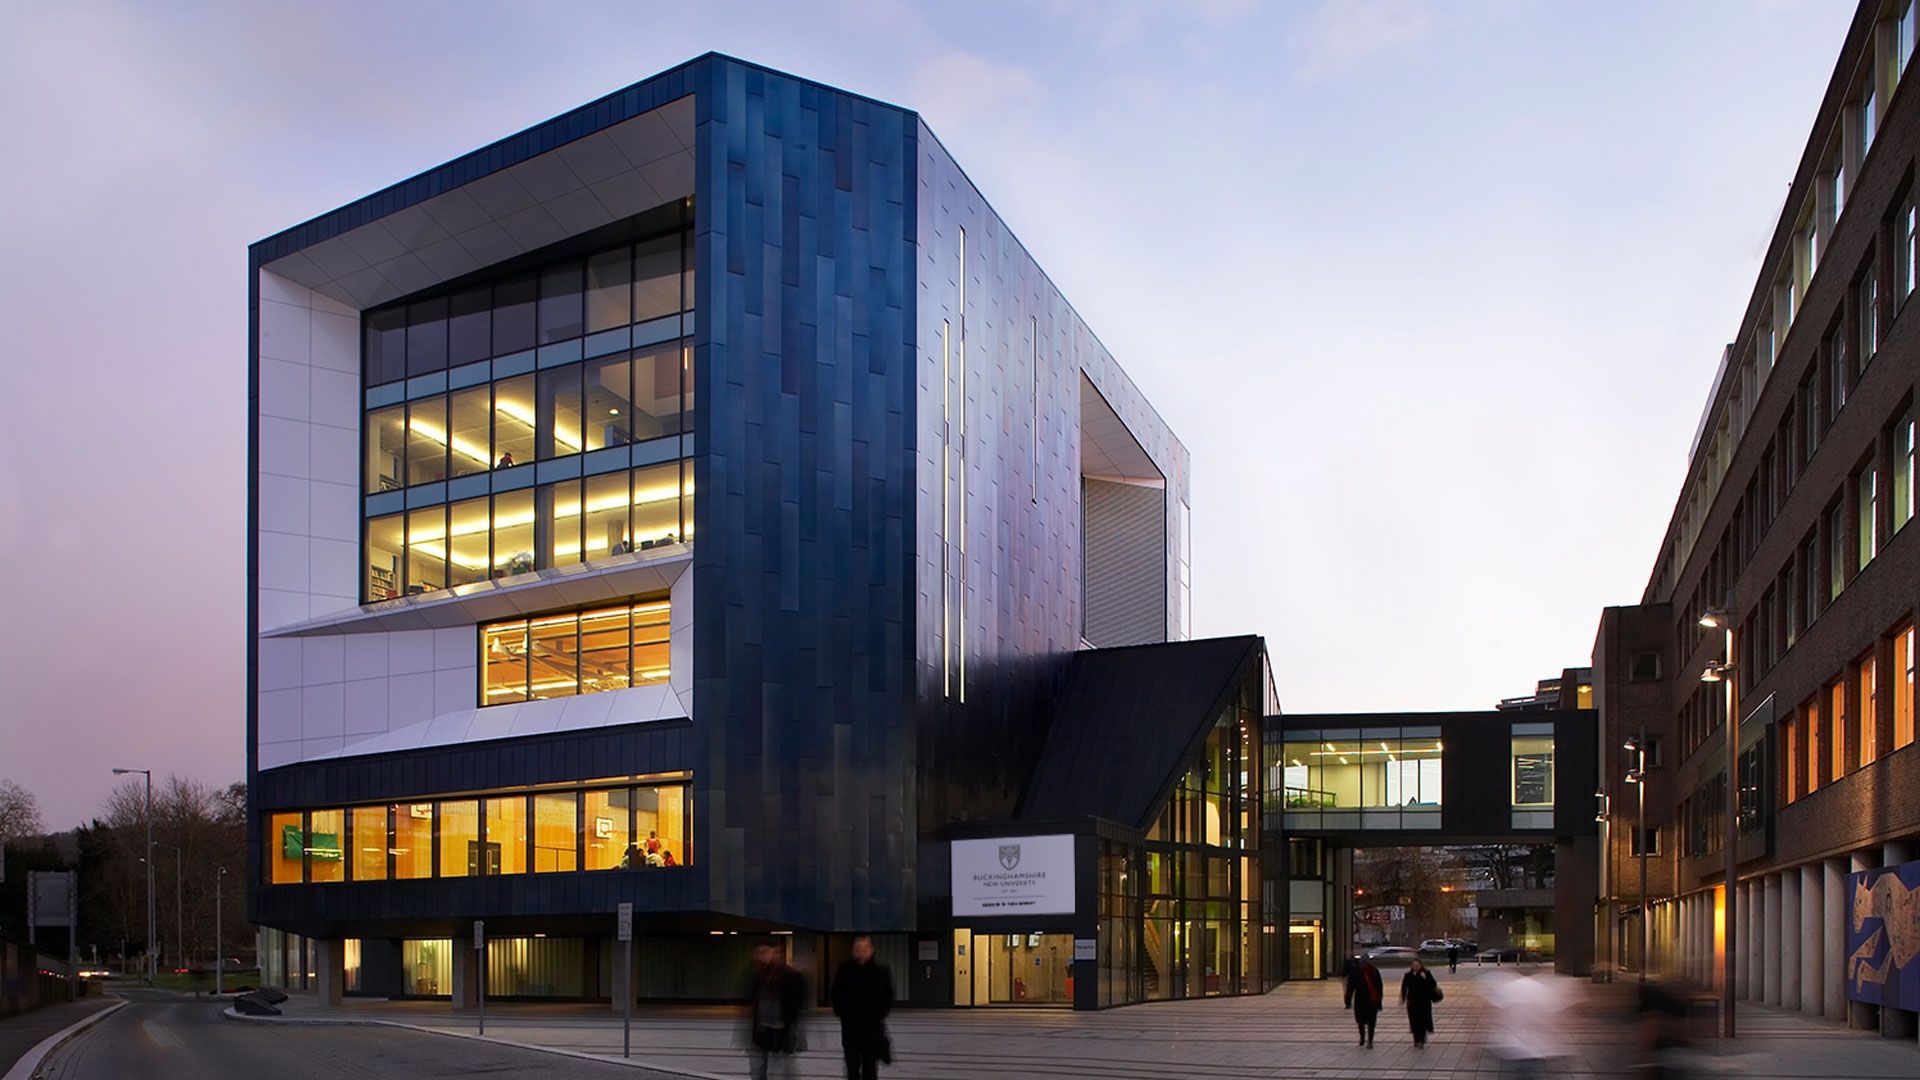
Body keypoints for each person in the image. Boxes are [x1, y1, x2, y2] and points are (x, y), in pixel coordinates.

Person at [831, 935, 895, 1080]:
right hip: (850, 1028)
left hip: (871, 1029)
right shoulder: (844, 970)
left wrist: (879, 1014)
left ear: (871, 950)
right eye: (858, 948)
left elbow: (888, 996)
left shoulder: (881, 972)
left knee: (870, 1069)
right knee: (852, 1068)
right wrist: (842, 1012)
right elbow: (836, 992)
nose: (861, 952)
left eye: (865, 948)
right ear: (853, 950)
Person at [743, 943, 807, 1080]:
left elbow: (797, 1000)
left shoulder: (788, 974)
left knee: (779, 1065)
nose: (765, 957)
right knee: (761, 1065)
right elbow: (753, 999)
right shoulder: (759, 974)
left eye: (767, 953)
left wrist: (791, 1021)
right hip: (763, 1026)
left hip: (780, 1026)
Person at [1343, 953, 1384, 1048]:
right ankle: (1367, 1040)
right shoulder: (1371, 971)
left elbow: (1350, 988)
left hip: (1363, 999)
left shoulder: (1363, 971)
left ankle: (1365, 1039)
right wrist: (1379, 1001)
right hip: (1368, 999)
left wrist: (1348, 1000)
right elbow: (1379, 988)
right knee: (1367, 1021)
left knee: (1364, 1021)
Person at [1401, 958, 1441, 1048]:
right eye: (1414, 965)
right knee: (1414, 1021)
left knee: (1423, 1020)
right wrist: (1403, 998)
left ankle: (1422, 1038)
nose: (1415, 967)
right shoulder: (1408, 975)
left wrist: (1425, 978)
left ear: (1421, 965)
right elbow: (1404, 987)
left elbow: (1433, 984)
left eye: (1417, 965)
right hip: (1412, 1002)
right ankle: (1416, 1039)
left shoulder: (1426, 973)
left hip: (1424, 1002)